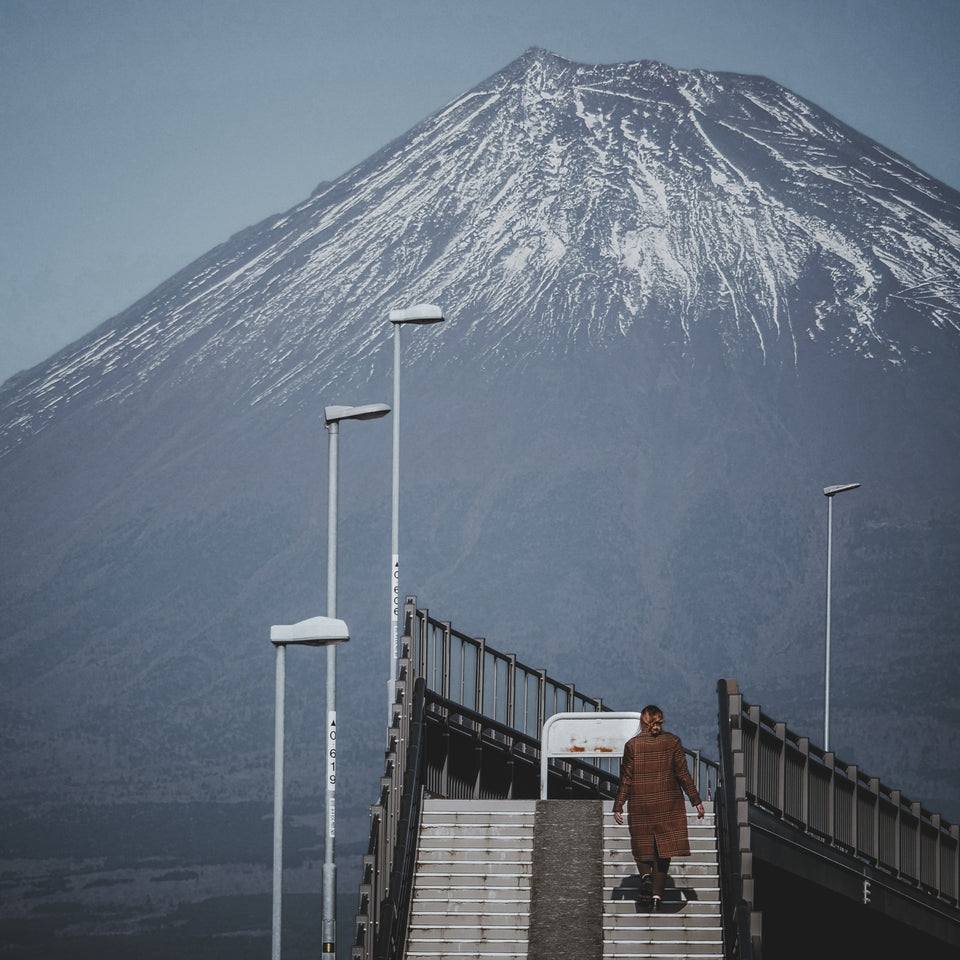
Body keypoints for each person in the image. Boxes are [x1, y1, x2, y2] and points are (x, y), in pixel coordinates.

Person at [612, 704, 705, 910]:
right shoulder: (673, 742)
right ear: (660, 720)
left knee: (642, 844)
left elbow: (626, 779)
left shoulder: (632, 745)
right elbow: (682, 774)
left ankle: (645, 875)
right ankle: (656, 898)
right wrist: (696, 800)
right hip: (668, 803)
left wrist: (618, 805)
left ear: (642, 721)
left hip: (640, 802)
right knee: (664, 852)